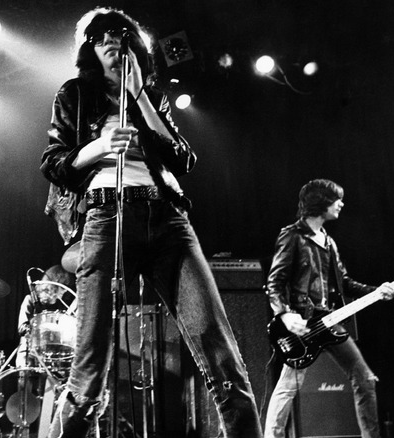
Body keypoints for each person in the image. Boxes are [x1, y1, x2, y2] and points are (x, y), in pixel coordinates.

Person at [40, 7, 262, 438]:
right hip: (106, 216)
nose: (111, 40)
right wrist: (100, 147)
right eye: (100, 36)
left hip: (166, 219)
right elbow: (54, 163)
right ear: (89, 47)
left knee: (221, 354)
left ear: (134, 47)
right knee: (87, 375)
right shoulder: (74, 94)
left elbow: (183, 158)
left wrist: (139, 94)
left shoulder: (151, 97)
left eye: (120, 35)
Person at [263, 179, 394, 438]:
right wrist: (284, 314)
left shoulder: (328, 241)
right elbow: (274, 282)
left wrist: (377, 291)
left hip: (330, 320)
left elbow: (344, 282)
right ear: (321, 202)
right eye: (337, 199)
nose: (342, 204)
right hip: (302, 325)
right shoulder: (292, 236)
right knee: (289, 386)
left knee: (365, 379)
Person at [16, 265, 76, 367]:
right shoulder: (30, 300)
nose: (64, 291)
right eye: (62, 288)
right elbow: (22, 328)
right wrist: (43, 327)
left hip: (53, 355)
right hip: (30, 352)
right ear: (53, 287)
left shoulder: (62, 305)